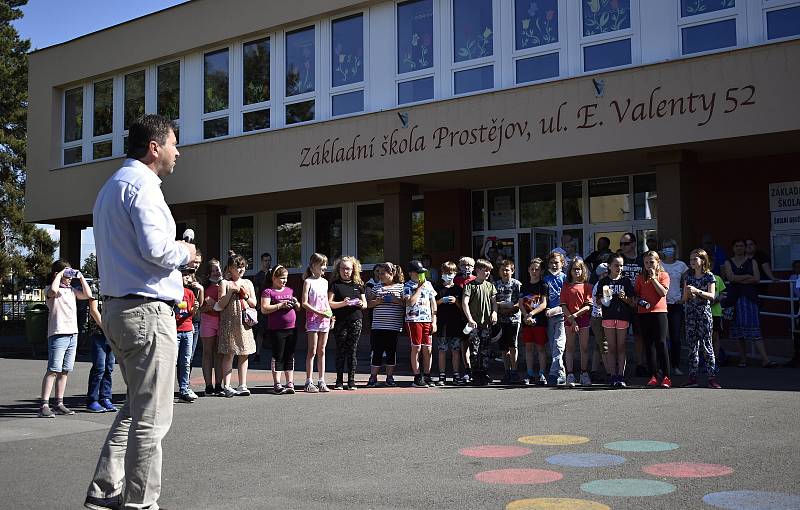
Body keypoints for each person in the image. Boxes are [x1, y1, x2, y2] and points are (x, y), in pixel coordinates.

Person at [87, 114, 195, 510]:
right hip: (147, 311)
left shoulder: (111, 186)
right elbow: (156, 249)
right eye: (173, 143)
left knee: (135, 407)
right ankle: (140, 502)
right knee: (153, 417)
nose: (177, 151)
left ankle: (105, 488)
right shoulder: (144, 186)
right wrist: (187, 252)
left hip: (119, 308)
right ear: (155, 147)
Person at [39, 260, 92, 418]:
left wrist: (80, 277)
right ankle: (44, 405)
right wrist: (60, 274)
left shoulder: (71, 290)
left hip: (72, 333)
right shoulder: (49, 289)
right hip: (58, 333)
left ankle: (59, 403)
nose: (69, 277)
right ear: (57, 274)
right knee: (53, 370)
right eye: (67, 274)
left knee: (64, 371)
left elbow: (88, 295)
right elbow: (54, 290)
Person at [722, 240, 777, 368]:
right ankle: (743, 359)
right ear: (733, 248)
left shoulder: (752, 262)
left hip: (750, 299)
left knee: (755, 329)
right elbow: (730, 278)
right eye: (737, 246)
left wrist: (739, 278)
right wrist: (747, 276)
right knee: (738, 331)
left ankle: (765, 359)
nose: (739, 248)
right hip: (734, 300)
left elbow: (756, 278)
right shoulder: (728, 262)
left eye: (742, 246)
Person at [216, 255, 257, 397]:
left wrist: (245, 295)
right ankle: (226, 385)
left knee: (244, 353)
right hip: (229, 322)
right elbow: (220, 304)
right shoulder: (224, 283)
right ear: (230, 268)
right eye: (237, 267)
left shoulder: (248, 283)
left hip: (244, 323)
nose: (240, 269)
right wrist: (232, 291)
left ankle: (242, 385)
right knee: (229, 353)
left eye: (243, 266)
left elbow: (254, 303)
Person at [597, 253, 635, 388]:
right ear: (609, 266)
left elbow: (632, 302)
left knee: (621, 347)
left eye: (621, 265)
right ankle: (613, 375)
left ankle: (621, 375)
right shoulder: (603, 281)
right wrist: (604, 298)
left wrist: (624, 298)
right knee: (611, 348)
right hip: (608, 317)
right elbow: (598, 301)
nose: (619, 268)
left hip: (623, 317)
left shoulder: (626, 281)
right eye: (616, 265)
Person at [683, 249, 721, 388]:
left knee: (706, 345)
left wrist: (697, 292)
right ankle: (692, 376)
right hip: (691, 314)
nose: (692, 262)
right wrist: (689, 294)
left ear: (703, 261)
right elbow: (684, 298)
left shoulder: (709, 276)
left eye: (695, 259)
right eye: (691, 259)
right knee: (692, 346)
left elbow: (712, 296)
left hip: (704, 314)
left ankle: (711, 377)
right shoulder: (688, 277)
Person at [328, 256, 367, 390]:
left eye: (349, 269)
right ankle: (339, 381)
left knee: (353, 350)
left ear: (353, 270)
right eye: (343, 268)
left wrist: (362, 303)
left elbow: (365, 303)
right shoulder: (335, 285)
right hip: (340, 321)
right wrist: (343, 303)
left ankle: (351, 380)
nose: (346, 271)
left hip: (355, 320)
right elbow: (330, 303)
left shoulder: (359, 284)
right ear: (339, 269)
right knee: (340, 350)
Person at [260, 265, 300, 394]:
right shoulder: (268, 292)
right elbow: (264, 309)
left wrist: (296, 303)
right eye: (282, 278)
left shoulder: (289, 290)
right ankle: (277, 383)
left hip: (292, 327)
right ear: (274, 278)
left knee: (290, 354)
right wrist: (280, 305)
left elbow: (298, 308)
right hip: (276, 329)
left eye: (286, 278)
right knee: (278, 355)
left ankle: (290, 382)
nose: (284, 281)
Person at [635, 251, 671, 388]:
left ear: (657, 262)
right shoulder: (639, 278)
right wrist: (637, 300)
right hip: (644, 313)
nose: (649, 265)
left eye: (651, 262)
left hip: (659, 312)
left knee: (661, 343)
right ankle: (653, 376)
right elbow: (636, 294)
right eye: (646, 263)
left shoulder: (664, 275)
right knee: (648, 345)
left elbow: (663, 292)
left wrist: (654, 278)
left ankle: (667, 377)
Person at [366, 262, 405, 386]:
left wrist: (395, 300)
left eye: (383, 273)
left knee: (391, 352)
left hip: (393, 327)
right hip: (378, 326)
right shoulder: (377, 286)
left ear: (391, 273)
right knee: (377, 351)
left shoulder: (400, 287)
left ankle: (389, 377)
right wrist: (378, 301)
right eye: (379, 273)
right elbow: (368, 303)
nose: (380, 276)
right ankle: (373, 377)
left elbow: (406, 304)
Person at [462, 259, 498, 385]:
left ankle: (484, 373)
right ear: (477, 270)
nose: (487, 273)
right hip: (474, 324)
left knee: (486, 350)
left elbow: (494, 303)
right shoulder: (470, 285)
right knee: (474, 350)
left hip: (486, 324)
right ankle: (475, 374)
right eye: (485, 270)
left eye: (489, 271)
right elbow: (465, 303)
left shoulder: (490, 286)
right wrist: (470, 319)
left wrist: (494, 313)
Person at [404, 260, 438, 387]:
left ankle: (427, 375)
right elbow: (410, 302)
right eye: (418, 273)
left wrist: (434, 321)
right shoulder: (407, 286)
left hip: (427, 320)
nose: (420, 275)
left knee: (427, 348)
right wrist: (418, 288)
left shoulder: (428, 284)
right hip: (414, 320)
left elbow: (433, 302)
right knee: (416, 347)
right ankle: (417, 376)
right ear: (411, 273)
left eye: (422, 273)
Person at [302, 253, 332, 393]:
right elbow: (304, 303)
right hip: (313, 319)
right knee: (312, 350)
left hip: (325, 319)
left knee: (322, 350)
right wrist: (318, 312)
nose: (324, 267)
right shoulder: (308, 281)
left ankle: (321, 380)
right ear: (313, 266)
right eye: (321, 265)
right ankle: (309, 381)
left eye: (325, 264)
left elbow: (326, 302)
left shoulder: (325, 282)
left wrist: (331, 316)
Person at [560, 259, 593, 387]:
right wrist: (572, 319)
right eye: (574, 269)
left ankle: (584, 373)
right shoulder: (566, 286)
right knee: (570, 347)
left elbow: (588, 306)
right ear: (570, 271)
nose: (577, 271)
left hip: (583, 319)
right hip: (569, 319)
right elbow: (563, 305)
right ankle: (570, 374)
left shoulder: (587, 286)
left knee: (584, 347)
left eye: (579, 269)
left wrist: (576, 315)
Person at [619, 232, 646, 377]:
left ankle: (640, 364)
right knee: (620, 335)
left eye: (626, 243)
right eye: (621, 244)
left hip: (638, 302)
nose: (623, 246)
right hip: (621, 302)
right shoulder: (619, 259)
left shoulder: (642, 259)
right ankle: (618, 366)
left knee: (639, 335)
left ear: (634, 244)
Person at [85, 290, 117, 413]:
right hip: (99, 333)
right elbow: (93, 310)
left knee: (109, 368)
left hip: (113, 333)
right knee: (99, 367)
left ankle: (105, 398)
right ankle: (92, 400)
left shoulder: (115, 285)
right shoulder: (96, 286)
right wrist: (105, 328)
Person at [519, 258, 549, 385]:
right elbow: (520, 303)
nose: (534, 271)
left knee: (541, 348)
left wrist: (531, 314)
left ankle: (542, 373)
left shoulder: (543, 285)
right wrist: (526, 316)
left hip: (539, 321)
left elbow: (543, 304)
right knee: (529, 348)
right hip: (526, 321)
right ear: (528, 270)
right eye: (532, 269)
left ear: (541, 271)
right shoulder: (524, 285)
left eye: (537, 269)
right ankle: (529, 373)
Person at [660, 239, 688, 376]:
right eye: (665, 247)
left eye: (670, 247)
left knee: (675, 337)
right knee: (662, 337)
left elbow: (686, 283)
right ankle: (662, 366)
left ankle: (675, 365)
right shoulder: (658, 264)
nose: (668, 250)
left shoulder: (681, 265)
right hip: (661, 305)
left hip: (676, 305)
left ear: (675, 249)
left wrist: (683, 298)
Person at [434, 261, 463, 386]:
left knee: (456, 350)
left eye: (450, 273)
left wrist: (456, 301)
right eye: (446, 273)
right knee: (442, 350)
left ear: (455, 274)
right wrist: (441, 301)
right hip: (442, 324)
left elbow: (463, 307)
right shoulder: (437, 288)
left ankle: (456, 374)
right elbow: (432, 305)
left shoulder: (458, 289)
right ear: (442, 273)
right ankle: (442, 375)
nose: (448, 275)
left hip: (455, 324)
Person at [199, 258, 224, 396]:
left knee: (219, 354)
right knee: (207, 353)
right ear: (208, 273)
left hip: (221, 322)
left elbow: (222, 307)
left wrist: (214, 305)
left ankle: (219, 385)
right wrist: (208, 308)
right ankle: (209, 386)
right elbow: (200, 308)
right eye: (213, 270)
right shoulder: (203, 287)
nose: (216, 272)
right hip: (207, 322)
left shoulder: (224, 284)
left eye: (217, 269)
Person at [495, 260, 522, 384]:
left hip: (513, 319)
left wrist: (510, 308)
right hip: (501, 320)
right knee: (503, 347)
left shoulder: (517, 284)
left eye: (507, 270)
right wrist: (499, 307)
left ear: (512, 271)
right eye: (503, 270)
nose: (505, 272)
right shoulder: (496, 284)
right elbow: (493, 301)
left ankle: (514, 371)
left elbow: (520, 302)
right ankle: (506, 371)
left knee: (513, 345)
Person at [543, 250, 567, 386]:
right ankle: (561, 373)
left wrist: (557, 310)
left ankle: (552, 373)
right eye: (551, 263)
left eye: (556, 262)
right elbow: (544, 298)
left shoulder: (565, 278)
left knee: (559, 344)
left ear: (562, 264)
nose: (554, 265)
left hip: (562, 315)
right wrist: (547, 309)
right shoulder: (546, 279)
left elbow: (567, 300)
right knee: (553, 346)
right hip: (549, 316)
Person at [175, 269, 199, 402]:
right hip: (174, 330)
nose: (186, 277)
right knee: (172, 361)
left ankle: (184, 389)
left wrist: (194, 308)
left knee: (185, 361)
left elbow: (191, 313)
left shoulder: (189, 293)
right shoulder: (172, 292)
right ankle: (165, 391)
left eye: (187, 275)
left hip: (188, 329)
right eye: (183, 275)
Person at [455, 256, 476, 382]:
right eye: (463, 265)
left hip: (474, 317)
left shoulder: (476, 280)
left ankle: (476, 369)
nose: (466, 268)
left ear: (474, 268)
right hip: (459, 317)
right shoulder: (456, 280)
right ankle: (467, 369)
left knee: (475, 345)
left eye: (469, 265)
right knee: (464, 344)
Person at [589, 263, 610, 382]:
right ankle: (610, 373)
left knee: (598, 345)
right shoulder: (603, 285)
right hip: (599, 317)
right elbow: (606, 303)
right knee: (604, 346)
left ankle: (594, 371)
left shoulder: (602, 284)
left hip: (597, 317)